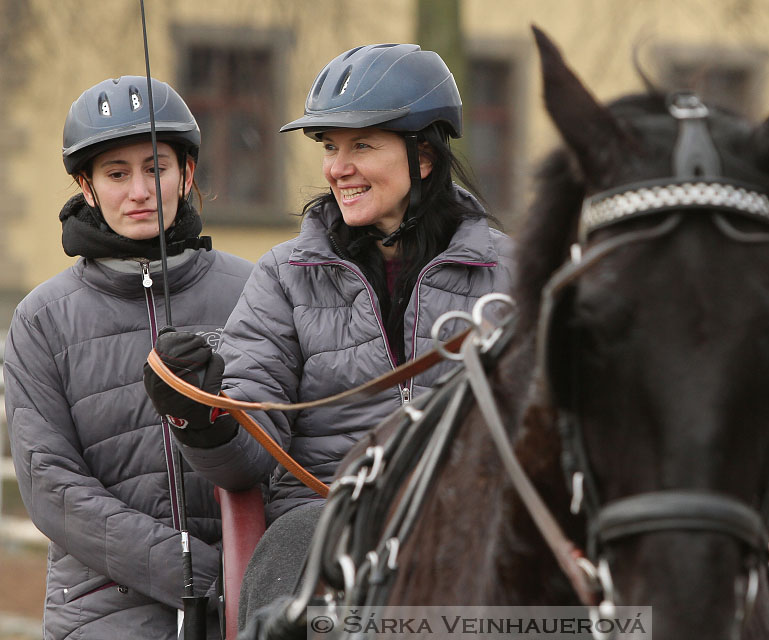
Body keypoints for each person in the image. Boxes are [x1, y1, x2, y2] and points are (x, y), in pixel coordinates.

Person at [142, 43, 514, 620]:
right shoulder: (284, 277)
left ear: (423, 157)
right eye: (330, 147)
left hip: (478, 518)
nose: (337, 168)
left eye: (361, 145)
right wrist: (198, 417)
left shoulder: (511, 273)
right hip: (325, 519)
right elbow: (247, 458)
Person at [4, 76, 253, 640]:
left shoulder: (255, 291)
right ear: (86, 187)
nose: (139, 190)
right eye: (117, 174)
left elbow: (286, 443)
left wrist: (253, 577)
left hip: (247, 602)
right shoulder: (42, 319)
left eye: (155, 168)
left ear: (186, 174)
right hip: (100, 611)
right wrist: (185, 567)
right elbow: (51, 485)